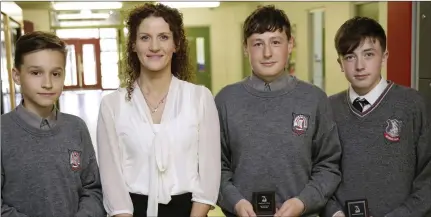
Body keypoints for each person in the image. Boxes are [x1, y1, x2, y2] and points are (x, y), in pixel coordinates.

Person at [216, 5, 342, 217]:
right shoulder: (225, 100)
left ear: (290, 44)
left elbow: (328, 166)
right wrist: (236, 202)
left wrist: (303, 203)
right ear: (245, 48)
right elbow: (216, 167)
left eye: (276, 42)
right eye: (258, 43)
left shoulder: (314, 99)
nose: (267, 53)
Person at [96, 3, 221, 217]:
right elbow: (111, 180)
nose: (154, 46)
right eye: (145, 38)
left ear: (176, 44)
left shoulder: (200, 98)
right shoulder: (112, 105)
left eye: (163, 37)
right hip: (132, 210)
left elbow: (209, 175)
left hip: (189, 210)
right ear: (133, 45)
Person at [322, 17, 431, 217]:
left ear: (384, 57)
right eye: (350, 57)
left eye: (369, 54)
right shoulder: (329, 108)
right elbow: (321, 171)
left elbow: (428, 176)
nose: (360, 65)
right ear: (340, 63)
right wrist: (334, 213)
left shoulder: (412, 104)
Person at [1, 31, 105, 216]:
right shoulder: (3, 132)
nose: (48, 83)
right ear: (16, 76)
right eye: (36, 73)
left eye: (56, 73)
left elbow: (93, 189)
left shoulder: (77, 128)